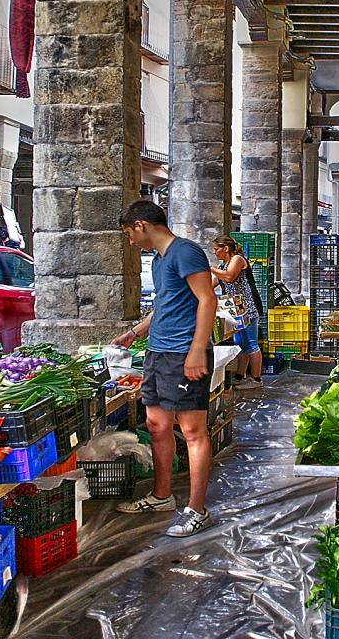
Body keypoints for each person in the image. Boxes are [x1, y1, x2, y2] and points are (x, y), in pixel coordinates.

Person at [110, 200, 219, 537]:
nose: (130, 241)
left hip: (184, 352)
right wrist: (134, 334)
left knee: (192, 431)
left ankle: (197, 509)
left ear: (141, 225)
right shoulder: (158, 261)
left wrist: (197, 350)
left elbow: (207, 300)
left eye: (129, 234)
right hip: (158, 352)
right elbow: (164, 304)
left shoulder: (185, 252)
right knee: (156, 424)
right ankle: (161, 496)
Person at [208, 235, 263, 389]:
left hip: (248, 309)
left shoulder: (237, 259)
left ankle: (256, 379)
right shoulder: (223, 266)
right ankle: (240, 376)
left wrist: (209, 268)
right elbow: (210, 285)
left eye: (216, 250)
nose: (215, 253)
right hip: (235, 312)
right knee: (240, 343)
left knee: (251, 344)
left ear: (226, 249)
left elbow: (230, 277)